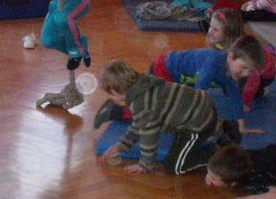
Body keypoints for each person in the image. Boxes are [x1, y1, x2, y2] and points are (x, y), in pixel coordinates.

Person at [97, 59, 228, 175]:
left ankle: (216, 152)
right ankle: (218, 126)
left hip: (199, 122)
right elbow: (140, 123)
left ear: (114, 92)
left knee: (175, 167)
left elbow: (149, 136)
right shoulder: (142, 84)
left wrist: (145, 165)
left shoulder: (142, 104)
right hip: (202, 107)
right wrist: (121, 146)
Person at [149, 37, 264, 122]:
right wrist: (203, 123)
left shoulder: (231, 71)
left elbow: (235, 97)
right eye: (243, 67)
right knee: (158, 106)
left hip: (177, 79)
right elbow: (199, 93)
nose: (245, 74)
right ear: (230, 57)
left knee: (177, 104)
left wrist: (241, 126)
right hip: (164, 67)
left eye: (250, 71)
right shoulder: (212, 63)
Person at [206, 9, 276, 110]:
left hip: (264, 74)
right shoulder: (219, 42)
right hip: (247, 69)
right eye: (210, 26)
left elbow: (253, 80)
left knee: (235, 85)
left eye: (216, 30)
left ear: (229, 33)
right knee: (227, 83)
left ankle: (259, 92)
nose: (210, 32)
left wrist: (245, 103)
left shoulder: (244, 54)